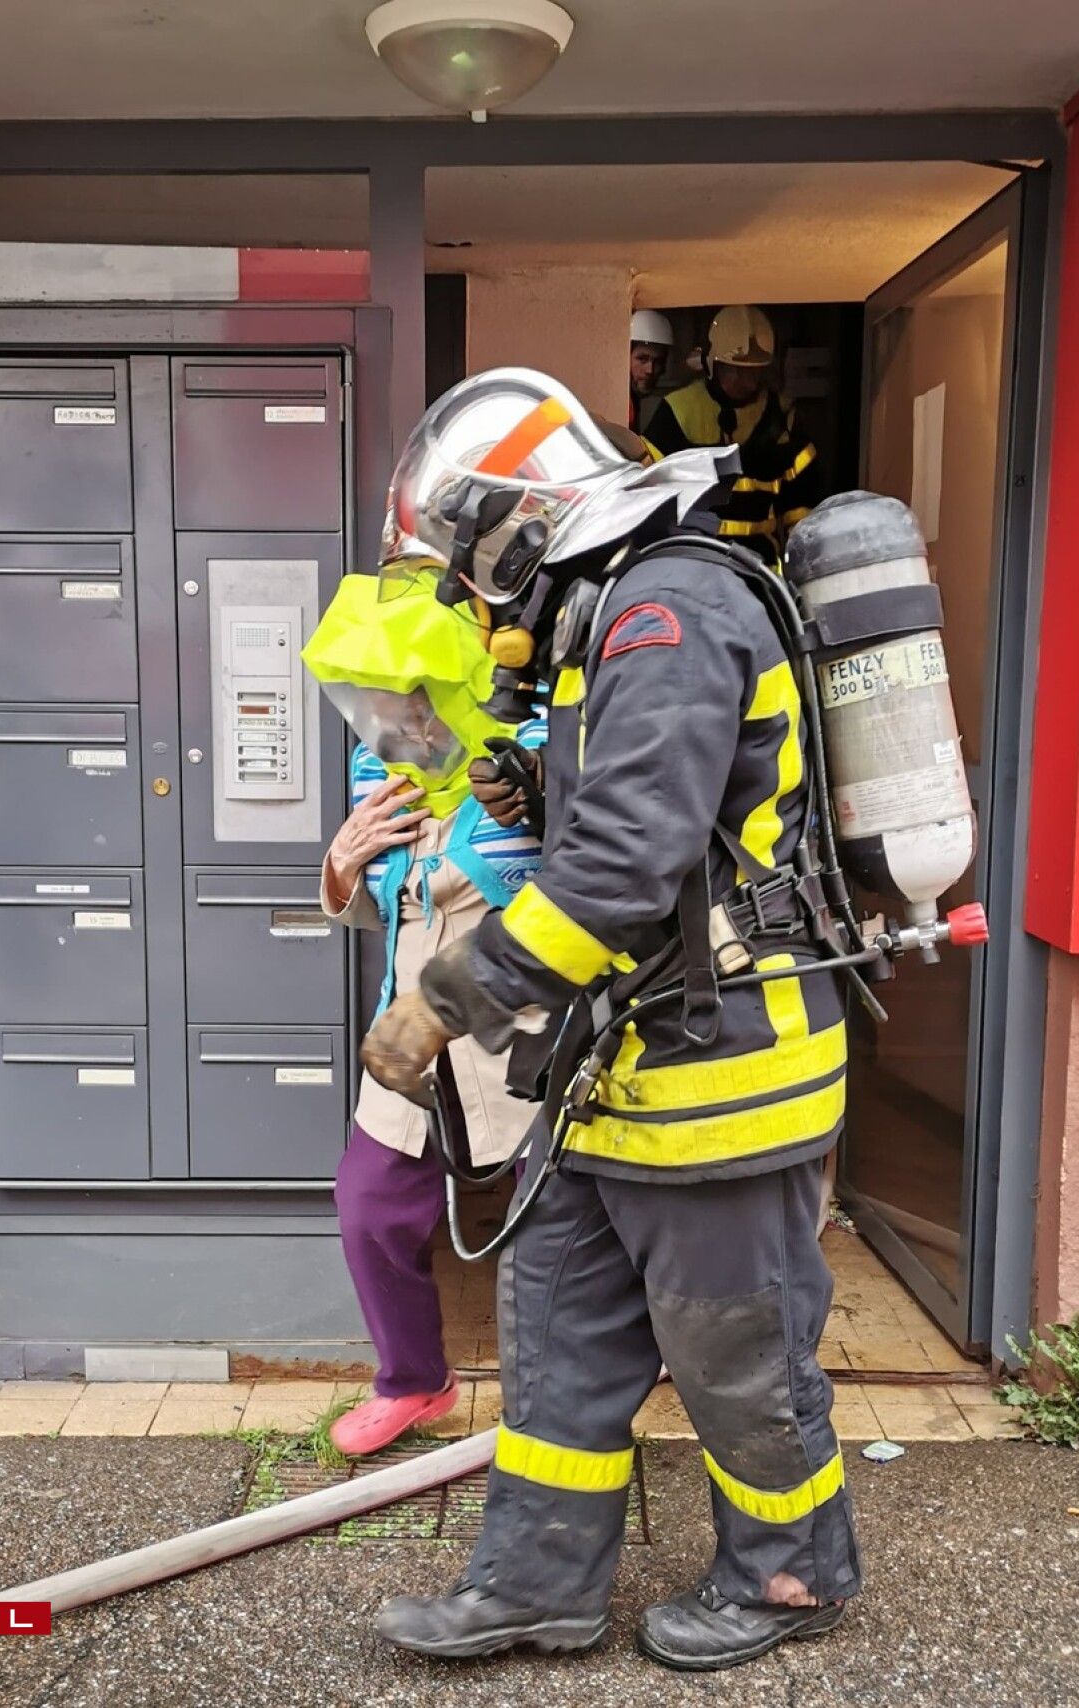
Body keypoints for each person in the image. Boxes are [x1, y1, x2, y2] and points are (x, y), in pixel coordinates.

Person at [359, 369, 860, 1670]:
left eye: (473, 565)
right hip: (617, 1069)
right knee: (560, 1329)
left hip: (720, 1076)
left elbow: (629, 865)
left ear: (523, 526)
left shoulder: (669, 615)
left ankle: (791, 1573)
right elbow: (624, 830)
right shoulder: (606, 624)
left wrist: (445, 999)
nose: (478, 599)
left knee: (736, 1356)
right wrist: (525, 788)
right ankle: (537, 1584)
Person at [301, 570, 545, 1457]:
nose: (384, 716)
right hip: (412, 1035)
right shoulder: (386, 770)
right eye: (367, 700)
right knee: (369, 1205)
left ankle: (567, 1393)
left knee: (559, 1225)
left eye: (399, 695)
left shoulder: (532, 749)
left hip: (526, 1037)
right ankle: (414, 1382)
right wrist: (340, 860)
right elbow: (373, 904)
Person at [645, 304, 823, 565]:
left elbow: (801, 507)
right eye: (735, 371)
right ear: (710, 364)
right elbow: (648, 496)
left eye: (754, 371)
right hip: (693, 562)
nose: (746, 382)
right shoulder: (679, 411)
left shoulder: (782, 417)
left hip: (761, 569)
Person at [628, 308, 673, 435]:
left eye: (658, 361)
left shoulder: (633, 400)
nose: (650, 370)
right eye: (642, 359)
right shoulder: (622, 404)